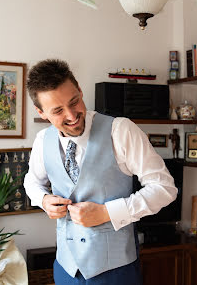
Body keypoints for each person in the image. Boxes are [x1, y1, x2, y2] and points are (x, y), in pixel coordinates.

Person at [23, 59, 178, 285]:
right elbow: (31, 182)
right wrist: (44, 200)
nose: (71, 115)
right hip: (66, 270)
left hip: (116, 272)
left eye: (74, 101)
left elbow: (165, 188)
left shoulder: (121, 130)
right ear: (41, 112)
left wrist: (107, 213)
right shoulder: (42, 141)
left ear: (80, 90)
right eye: (57, 110)